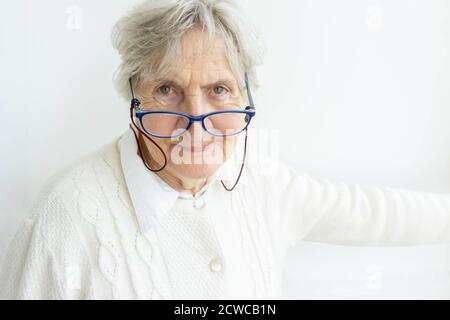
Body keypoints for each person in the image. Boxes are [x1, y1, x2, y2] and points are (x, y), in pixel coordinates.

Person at [1, 0, 449, 300]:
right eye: (167, 89)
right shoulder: (63, 218)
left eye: (218, 88)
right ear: (131, 94)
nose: (196, 123)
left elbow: (374, 214)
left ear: (245, 96)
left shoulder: (262, 181)